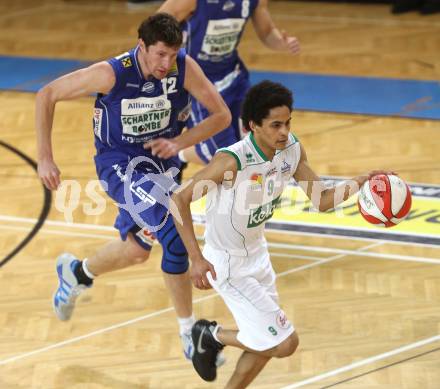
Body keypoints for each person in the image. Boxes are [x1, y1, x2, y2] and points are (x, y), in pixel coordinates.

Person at [35, 13, 231, 362]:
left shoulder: (182, 67)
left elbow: (222, 116)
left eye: (172, 55)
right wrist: (45, 158)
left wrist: (180, 141)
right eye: (159, 55)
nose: (166, 63)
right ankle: (190, 336)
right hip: (120, 166)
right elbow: (46, 94)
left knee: (138, 249)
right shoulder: (112, 73)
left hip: (163, 166)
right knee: (174, 234)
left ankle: (77, 273)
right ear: (142, 47)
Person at [171, 80, 391, 387]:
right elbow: (178, 199)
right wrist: (195, 259)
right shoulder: (231, 161)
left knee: (265, 343)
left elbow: (322, 200)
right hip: (227, 264)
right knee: (284, 342)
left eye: (288, 123)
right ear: (252, 126)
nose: (284, 132)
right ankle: (211, 335)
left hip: (259, 255)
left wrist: (362, 180)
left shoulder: (290, 150)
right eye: (275, 125)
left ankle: (214, 343)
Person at [157, 0, 300, 165]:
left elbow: (267, 32)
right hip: (199, 83)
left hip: (234, 79)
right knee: (225, 158)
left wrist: (282, 43)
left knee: (257, 145)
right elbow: (154, 28)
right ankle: (176, 154)